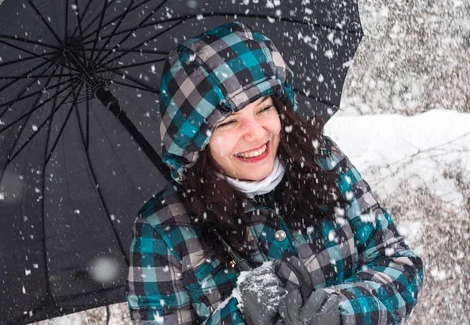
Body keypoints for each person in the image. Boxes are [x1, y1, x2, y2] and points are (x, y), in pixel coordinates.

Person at [127, 21, 423, 324]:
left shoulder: (322, 160)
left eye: (263, 108)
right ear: (195, 143)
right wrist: (239, 316)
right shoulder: (162, 231)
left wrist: (341, 310)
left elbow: (399, 262)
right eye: (228, 123)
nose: (256, 134)